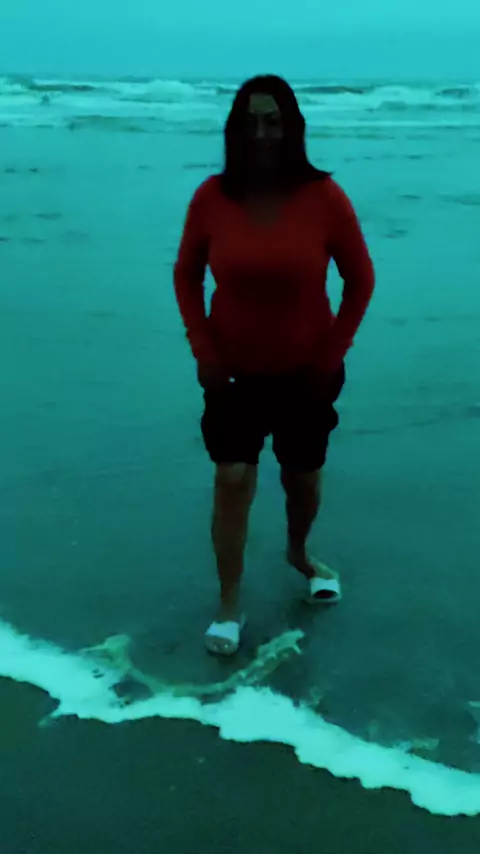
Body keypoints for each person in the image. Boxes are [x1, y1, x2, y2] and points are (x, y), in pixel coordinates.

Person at [173, 75, 375, 656]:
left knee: (301, 478)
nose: (262, 132)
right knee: (232, 478)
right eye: (251, 121)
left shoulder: (324, 197)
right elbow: (186, 276)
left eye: (272, 120)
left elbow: (360, 280)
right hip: (232, 372)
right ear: (235, 130)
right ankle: (228, 604)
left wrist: (331, 356)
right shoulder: (212, 198)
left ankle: (299, 553)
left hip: (307, 373)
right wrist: (204, 351)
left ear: (290, 128)